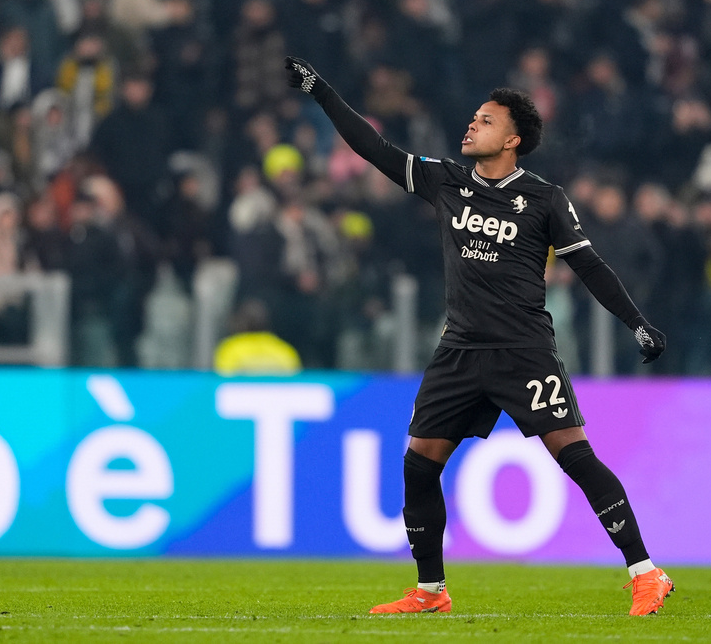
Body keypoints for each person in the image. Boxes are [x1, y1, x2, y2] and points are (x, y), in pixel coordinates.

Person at [285, 56, 673, 616]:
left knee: (576, 457)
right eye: (473, 118)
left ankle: (646, 572)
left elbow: (589, 266)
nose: (471, 125)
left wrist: (636, 322)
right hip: (459, 350)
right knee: (419, 464)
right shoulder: (446, 180)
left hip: (523, 350)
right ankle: (429, 591)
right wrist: (322, 92)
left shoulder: (545, 199)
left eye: (485, 121)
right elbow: (372, 148)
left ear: (512, 139)